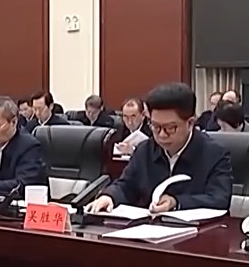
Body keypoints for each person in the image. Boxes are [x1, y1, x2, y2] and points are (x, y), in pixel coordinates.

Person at [86, 82, 233, 213]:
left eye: (170, 128)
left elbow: (219, 199)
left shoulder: (214, 154)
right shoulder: (144, 150)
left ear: (190, 123)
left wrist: (176, 202)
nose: (162, 135)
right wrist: (109, 197)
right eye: (156, 127)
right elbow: (126, 186)